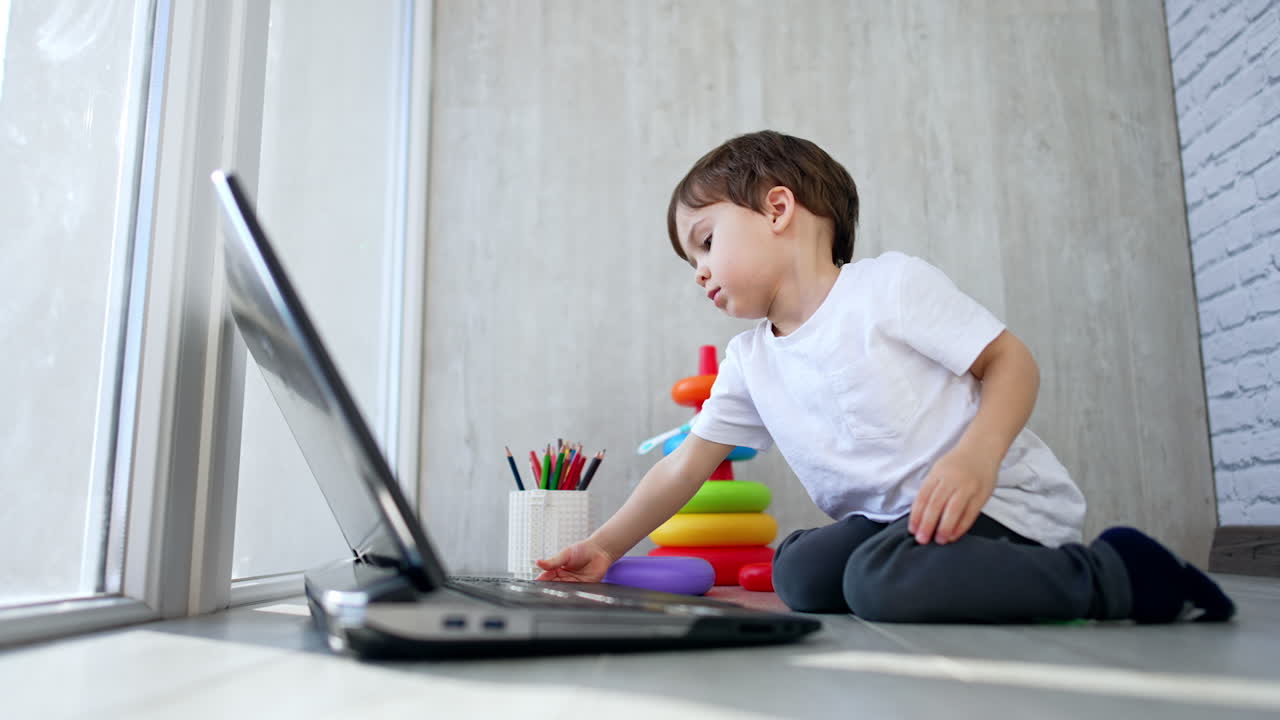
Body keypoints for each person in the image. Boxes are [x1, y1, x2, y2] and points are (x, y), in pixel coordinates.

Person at [536, 130, 1234, 624]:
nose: (699, 271)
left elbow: (1010, 361)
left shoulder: (887, 288)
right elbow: (684, 467)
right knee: (799, 573)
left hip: (995, 508)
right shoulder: (752, 361)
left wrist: (974, 458)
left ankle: (1114, 573)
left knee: (878, 582)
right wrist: (604, 547)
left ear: (777, 209)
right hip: (895, 523)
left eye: (707, 241)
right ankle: (886, 563)